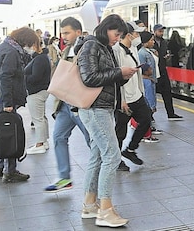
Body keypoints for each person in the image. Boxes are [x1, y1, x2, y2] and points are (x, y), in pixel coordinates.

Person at [77, 14, 136, 227]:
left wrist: (121, 76)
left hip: (102, 107)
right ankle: (105, 210)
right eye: (116, 34)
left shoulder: (104, 47)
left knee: (98, 155)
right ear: (106, 29)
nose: (117, 38)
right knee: (112, 155)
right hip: (94, 108)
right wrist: (118, 72)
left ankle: (90, 204)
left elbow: (105, 77)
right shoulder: (92, 46)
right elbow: (89, 77)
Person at [0, 27, 40, 183]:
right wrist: (8, 102)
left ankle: (0, 166)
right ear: (24, 40)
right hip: (2, 97)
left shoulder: (6, 47)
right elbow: (5, 77)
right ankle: (10, 171)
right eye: (30, 43)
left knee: (2, 130)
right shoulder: (12, 52)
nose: (30, 46)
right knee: (9, 132)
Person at [44, 17, 91, 193]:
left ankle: (102, 172)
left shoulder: (87, 49)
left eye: (67, 32)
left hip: (80, 105)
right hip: (64, 105)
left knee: (92, 141)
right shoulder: (67, 50)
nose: (63, 36)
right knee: (58, 138)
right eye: (62, 33)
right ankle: (64, 178)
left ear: (78, 32)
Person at [114, 21, 155, 169]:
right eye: (136, 33)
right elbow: (117, 77)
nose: (138, 36)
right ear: (128, 35)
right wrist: (122, 100)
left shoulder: (133, 48)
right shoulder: (116, 50)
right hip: (125, 99)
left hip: (137, 95)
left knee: (146, 119)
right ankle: (116, 160)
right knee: (120, 131)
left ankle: (130, 149)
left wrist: (141, 92)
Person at [24, 41, 51, 154]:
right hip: (42, 90)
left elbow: (36, 76)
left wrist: (23, 77)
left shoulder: (39, 59)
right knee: (41, 117)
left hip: (36, 92)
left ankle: (40, 143)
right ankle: (44, 141)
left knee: (37, 119)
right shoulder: (42, 58)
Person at [153, 24, 182, 120]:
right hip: (153, 72)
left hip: (163, 70)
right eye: (160, 31)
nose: (161, 33)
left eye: (162, 31)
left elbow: (164, 53)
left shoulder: (164, 42)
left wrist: (166, 57)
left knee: (167, 93)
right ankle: (150, 116)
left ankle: (171, 113)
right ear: (155, 31)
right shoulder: (151, 42)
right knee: (151, 94)